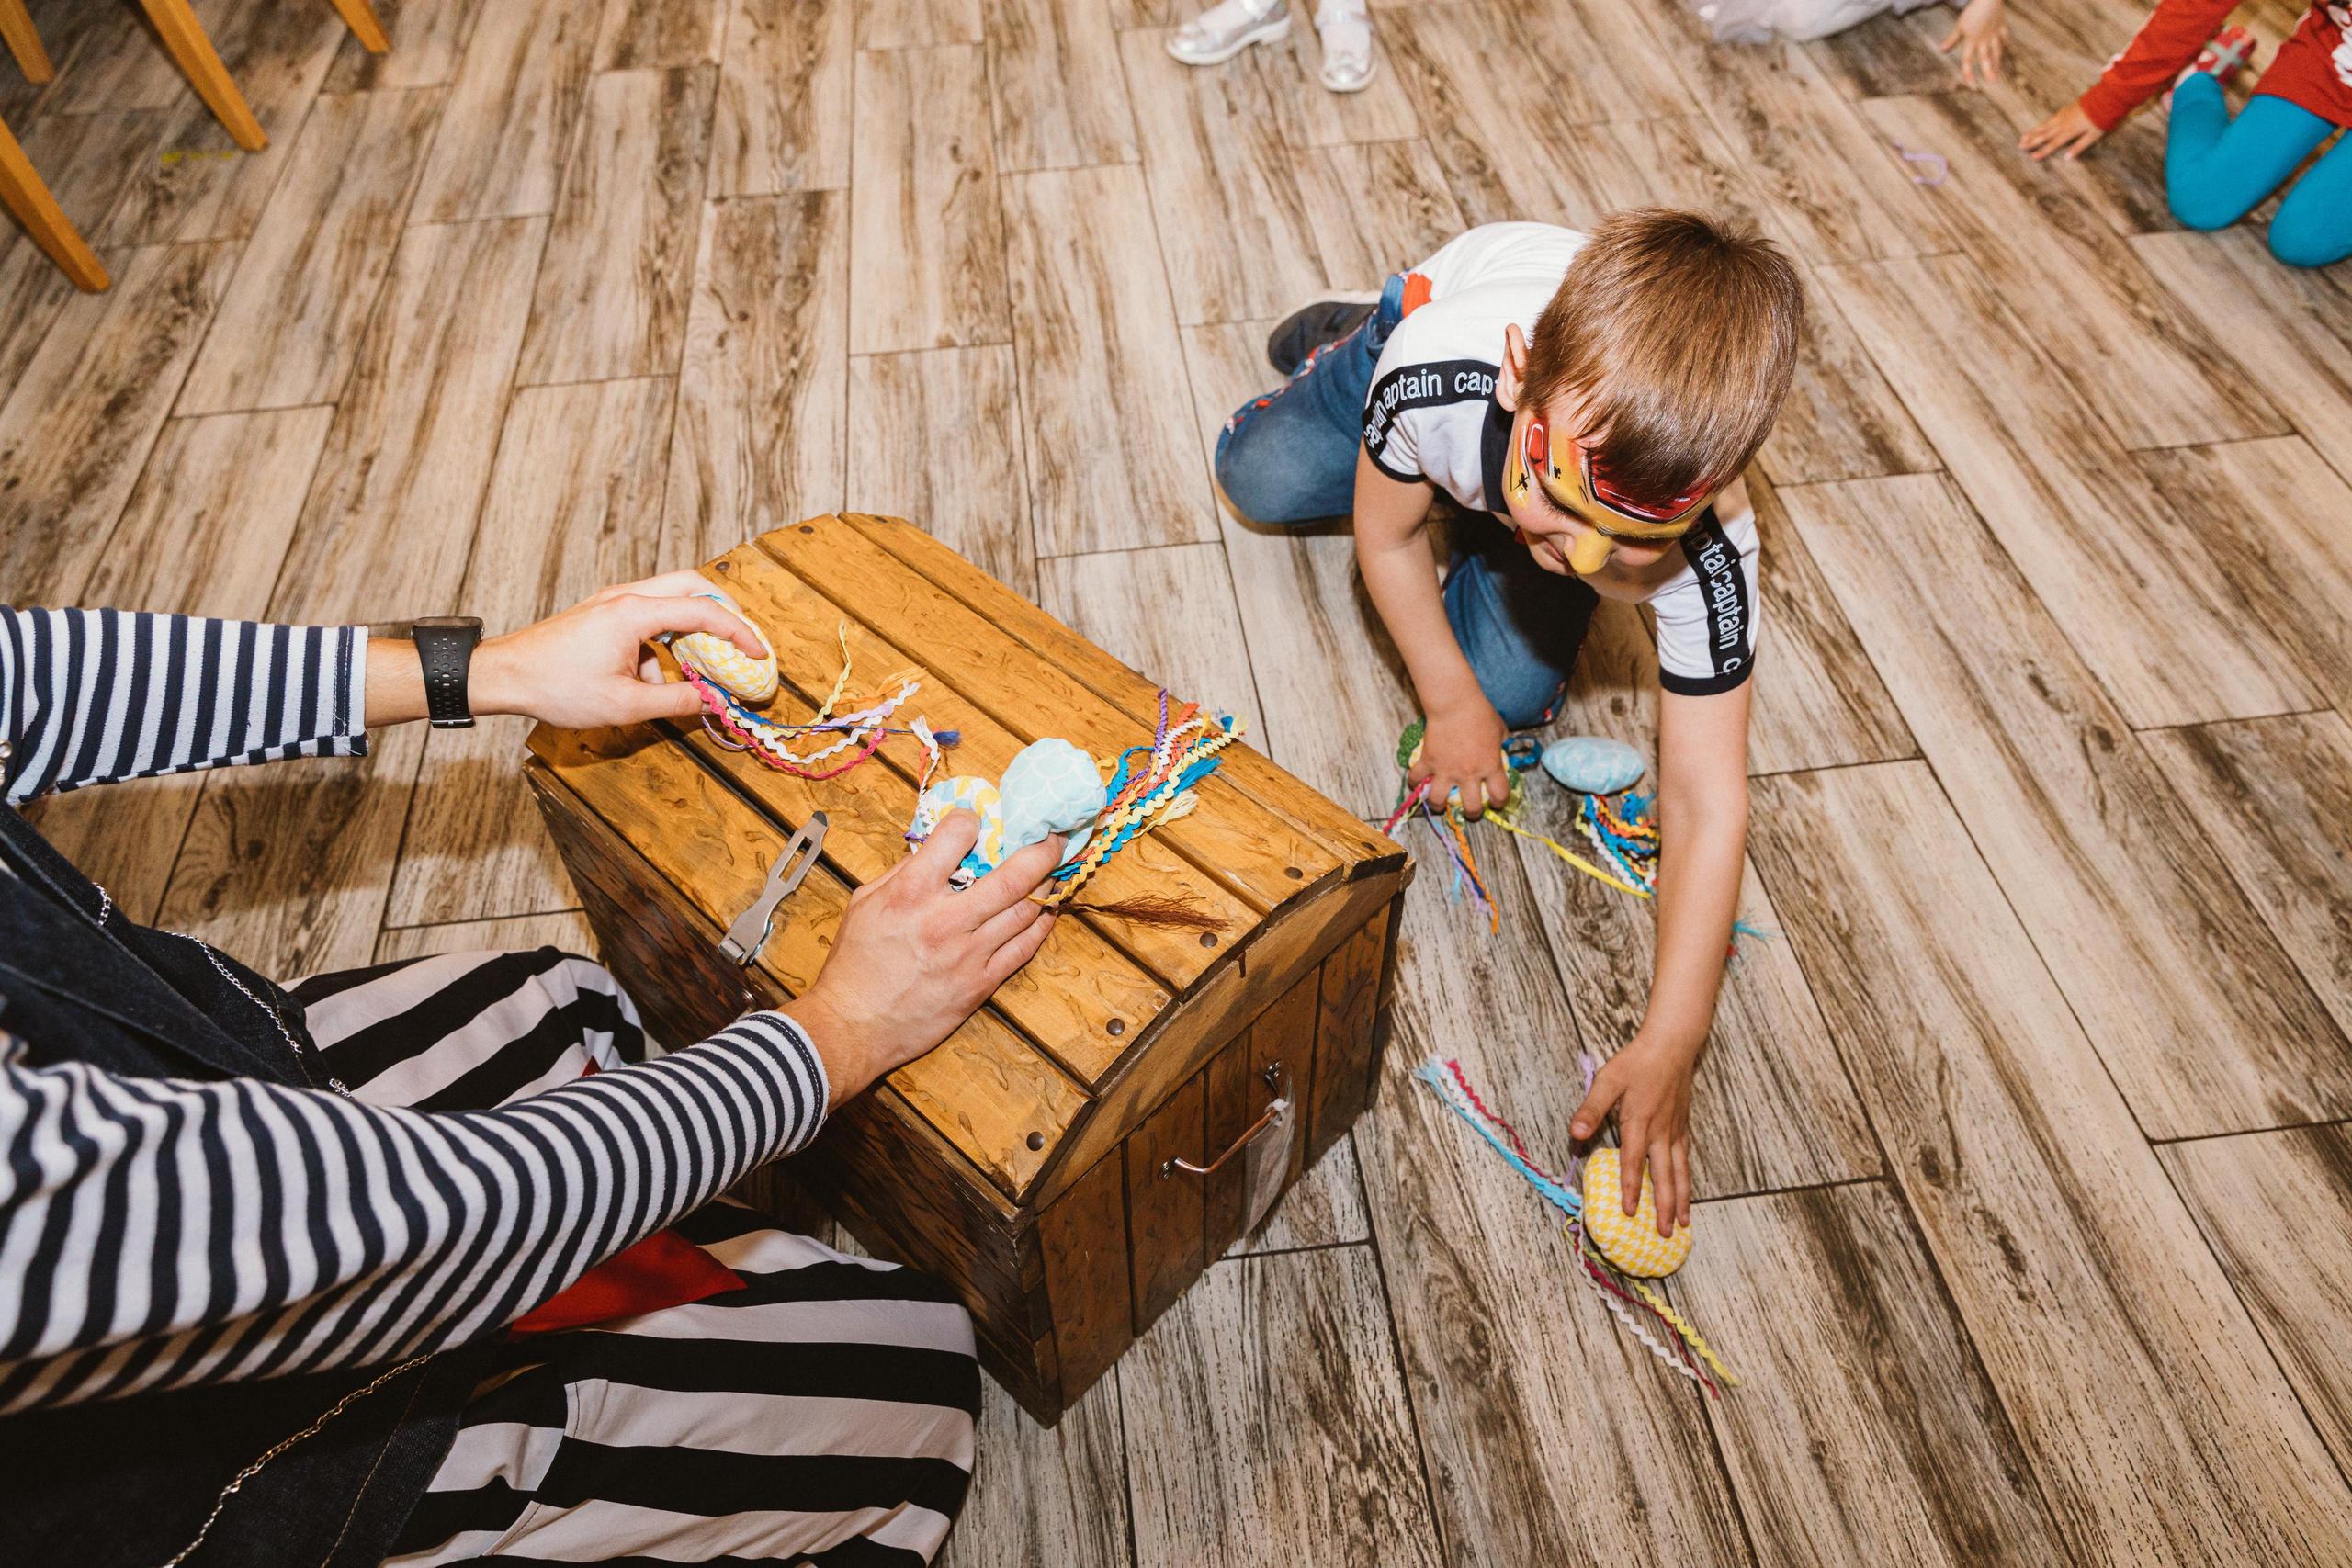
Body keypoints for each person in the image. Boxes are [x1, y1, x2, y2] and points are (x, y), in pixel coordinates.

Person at [0, 577, 1062, 1568]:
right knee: (915, 1378)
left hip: (212, 1075)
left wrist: (488, 670)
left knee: (576, 1005)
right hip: (246, 1454)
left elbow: (23, 678)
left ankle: (681, 1216)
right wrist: (841, 1032)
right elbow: (421, 1225)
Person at [1214, 211, 1804, 1241]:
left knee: (1512, 691)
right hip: (1430, 331)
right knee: (1257, 479)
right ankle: (1353, 328)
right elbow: (1384, 541)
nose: (1584, 562)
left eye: (1628, 548)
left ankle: (1491, 508)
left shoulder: (1708, 550)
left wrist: (1674, 1036)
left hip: (1498, 447)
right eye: (1570, 510)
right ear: (1520, 378)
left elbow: (1707, 803)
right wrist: (1446, 706)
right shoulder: (1442, 372)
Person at [2019, 0, 2352, 267]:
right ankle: (2197, 78)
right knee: (2202, 200)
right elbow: (2196, 6)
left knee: (2302, 240)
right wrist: (2107, 101)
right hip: (2332, 56)